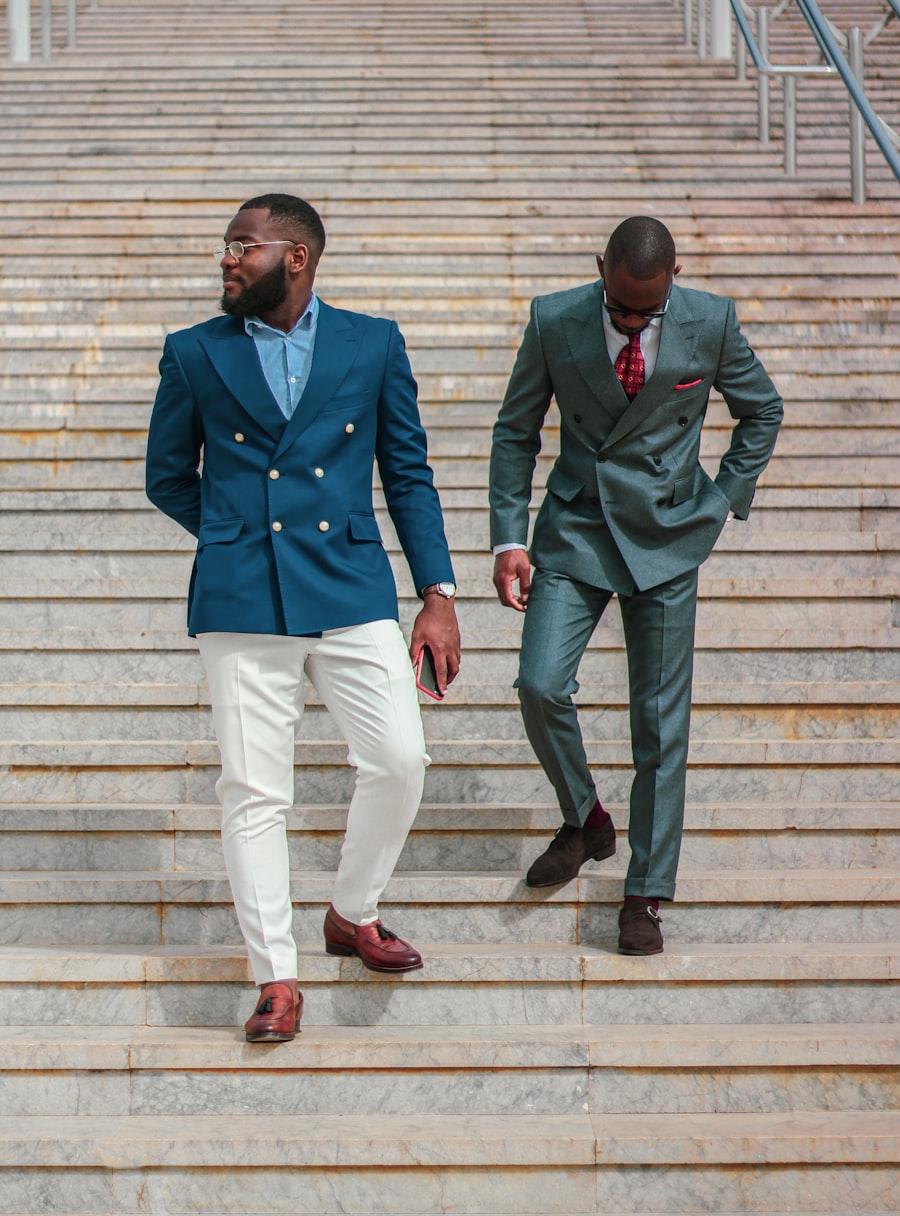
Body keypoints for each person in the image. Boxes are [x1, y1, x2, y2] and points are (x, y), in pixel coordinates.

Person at [146, 193, 460, 1041]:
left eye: (242, 245)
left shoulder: (372, 341)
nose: (225, 258)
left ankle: (350, 912)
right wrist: (234, 538)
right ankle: (275, 978)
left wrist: (437, 593)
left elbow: (408, 472)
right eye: (225, 244)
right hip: (244, 594)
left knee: (400, 758)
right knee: (253, 792)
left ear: (296, 257)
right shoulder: (193, 352)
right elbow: (167, 475)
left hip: (351, 582)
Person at [489, 216, 782, 955]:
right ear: (601, 271)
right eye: (619, 308)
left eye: (644, 313)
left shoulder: (708, 322)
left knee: (659, 726)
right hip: (575, 529)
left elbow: (762, 410)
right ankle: (587, 820)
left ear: (673, 281)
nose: (630, 321)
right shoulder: (555, 319)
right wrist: (508, 537)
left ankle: (645, 894)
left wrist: (720, 500)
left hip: (666, 537)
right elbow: (515, 429)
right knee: (538, 684)